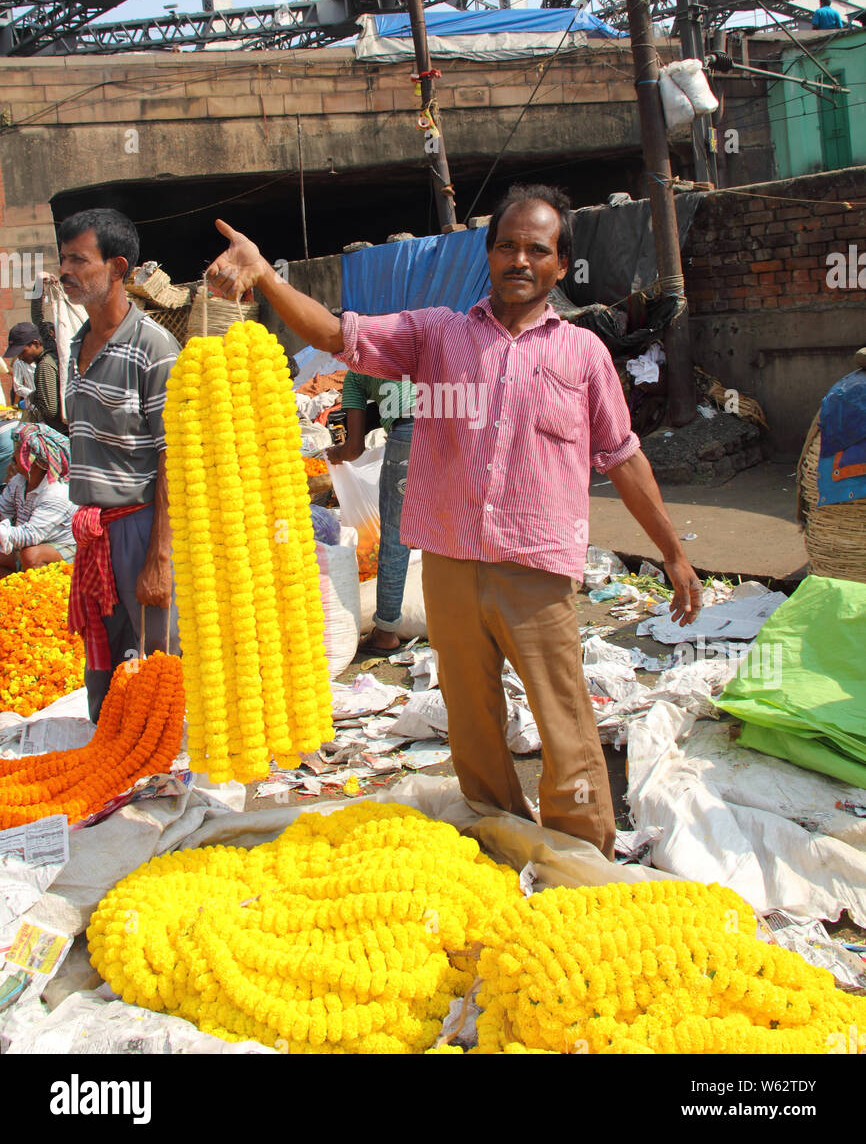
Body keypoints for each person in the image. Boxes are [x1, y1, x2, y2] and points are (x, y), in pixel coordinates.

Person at [207, 188, 703, 859]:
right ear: (488, 254)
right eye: (507, 245)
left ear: (561, 266)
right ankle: (498, 836)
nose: (520, 259)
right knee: (471, 724)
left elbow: (623, 457)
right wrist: (264, 273)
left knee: (564, 725)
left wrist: (671, 552)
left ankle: (582, 850)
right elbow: (334, 335)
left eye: (538, 249)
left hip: (536, 570)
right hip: (448, 564)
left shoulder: (583, 354)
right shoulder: (436, 334)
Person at [59, 208, 180, 722]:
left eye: (77, 260)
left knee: (157, 669)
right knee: (105, 688)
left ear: (117, 267)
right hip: (93, 537)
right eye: (62, 258)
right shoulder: (73, 345)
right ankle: (110, 771)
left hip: (139, 528)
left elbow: (172, 456)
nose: (64, 270)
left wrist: (160, 555)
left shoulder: (153, 348)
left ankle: (162, 777)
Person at [327, 372, 416, 655]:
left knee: (394, 534)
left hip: (409, 434)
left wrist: (336, 454)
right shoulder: (416, 337)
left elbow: (354, 449)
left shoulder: (356, 373)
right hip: (457, 428)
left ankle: (386, 632)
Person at [0, 423, 76, 576]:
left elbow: (30, 535)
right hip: (29, 541)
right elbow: (3, 511)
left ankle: (45, 591)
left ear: (33, 462)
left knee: (31, 555)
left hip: (64, 547)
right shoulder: (18, 482)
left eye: (18, 451)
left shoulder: (56, 493)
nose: (13, 455)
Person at [2, 321, 64, 433]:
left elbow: (50, 411)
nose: (20, 357)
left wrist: (33, 397)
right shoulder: (49, 359)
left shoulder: (44, 366)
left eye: (22, 352)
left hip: (60, 431)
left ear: (35, 343)